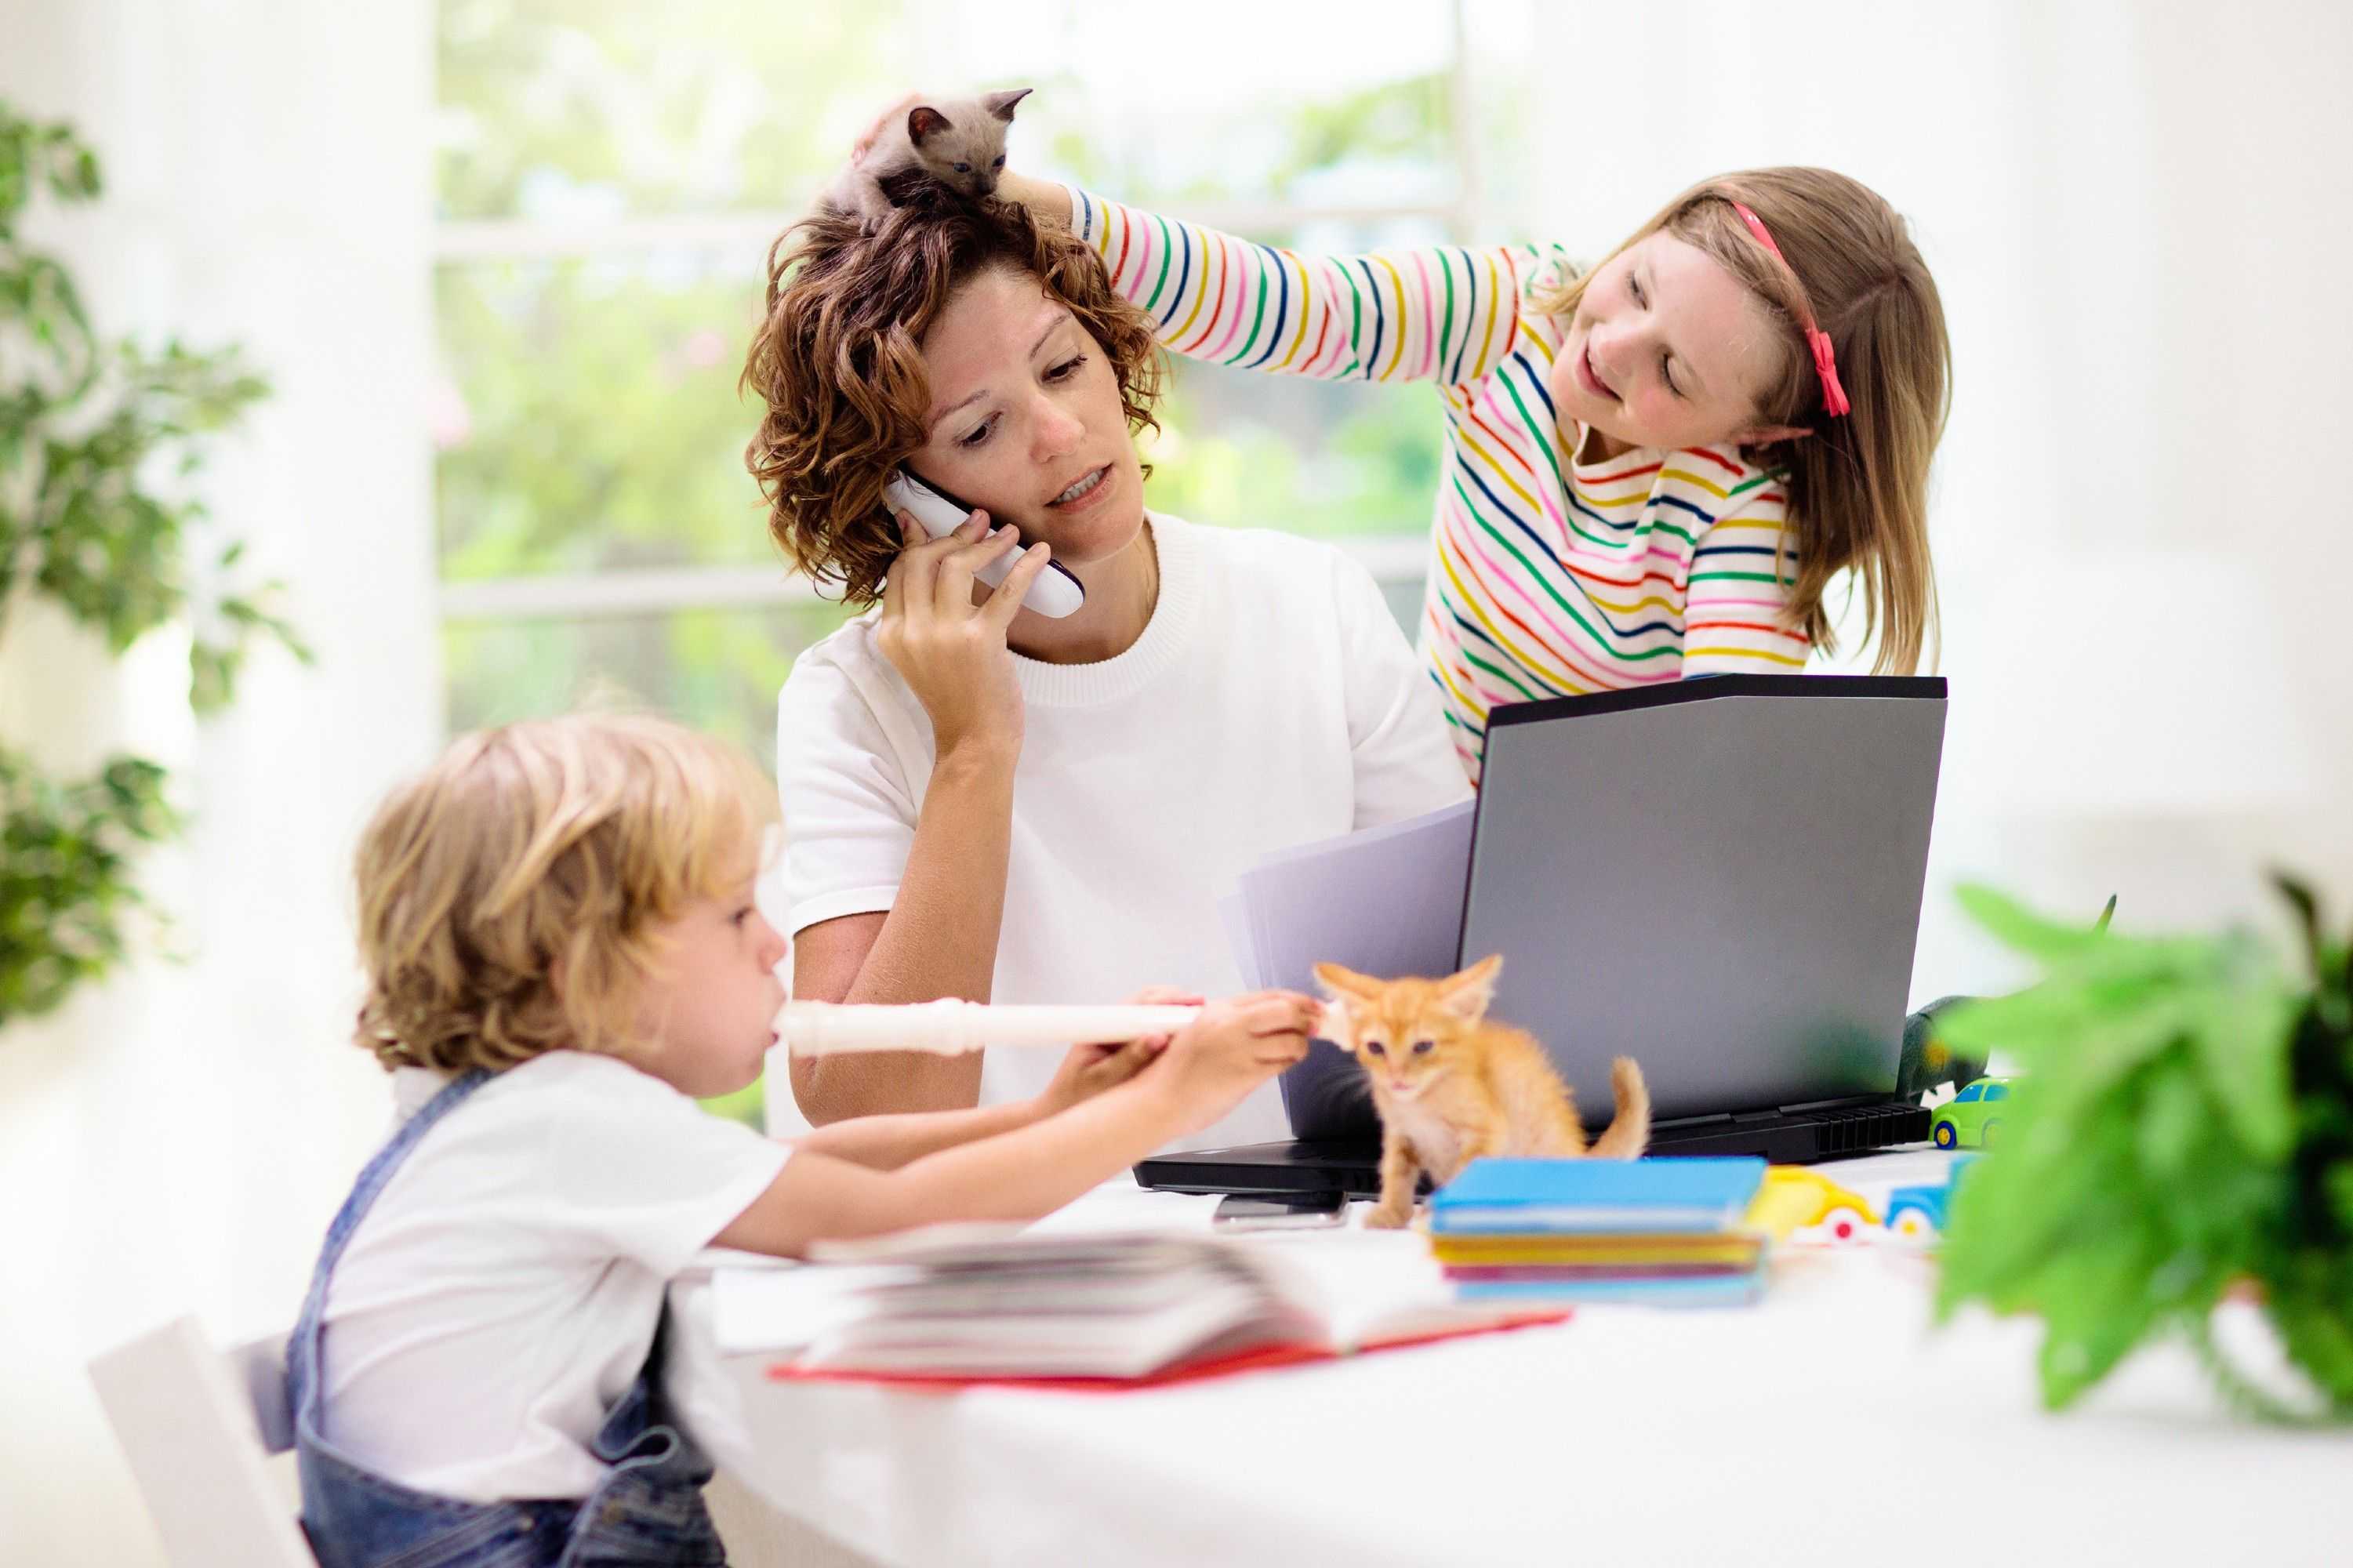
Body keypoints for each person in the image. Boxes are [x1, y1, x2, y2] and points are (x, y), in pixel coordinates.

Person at [289, 712, 1314, 1568]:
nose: (776, 944)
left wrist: (1053, 1117)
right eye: (737, 916)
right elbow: (880, 1223)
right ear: (587, 970)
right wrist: (1167, 1107)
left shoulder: (507, 1116)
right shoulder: (562, 1116)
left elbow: (809, 1173)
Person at [743, 190, 1470, 1138]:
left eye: (1062, 365)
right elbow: (869, 1112)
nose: (1058, 431)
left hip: (1305, 1227)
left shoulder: (1311, 602)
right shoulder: (852, 703)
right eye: (977, 430)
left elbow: (1466, 989)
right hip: (1006, 1251)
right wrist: (973, 747)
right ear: (895, 502)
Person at [990, 165, 1952, 782]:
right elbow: (1285, 308)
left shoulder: (1742, 513)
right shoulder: (1513, 312)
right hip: (1414, 805)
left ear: (1765, 429)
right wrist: (1056, 211)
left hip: (1580, 872)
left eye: (1673, 372)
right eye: (1638, 286)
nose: (1611, 345)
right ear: (1655, 226)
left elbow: (1719, 769)